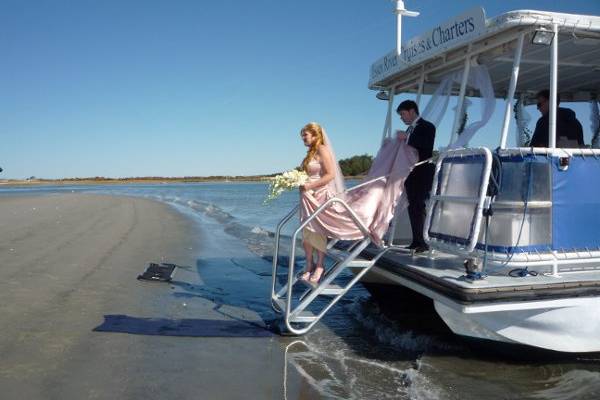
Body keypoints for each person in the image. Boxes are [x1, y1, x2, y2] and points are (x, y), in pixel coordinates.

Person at [298, 122, 345, 284]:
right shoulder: (310, 152)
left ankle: (319, 265)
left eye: (305, 134)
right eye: (302, 135)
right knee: (306, 233)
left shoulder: (323, 150)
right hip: (307, 196)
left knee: (317, 231)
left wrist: (310, 185)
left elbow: (331, 174)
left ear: (315, 135)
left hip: (319, 194)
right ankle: (309, 263)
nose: (303, 138)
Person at [396, 100, 436, 253]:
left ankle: (424, 242)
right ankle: (416, 240)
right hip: (410, 174)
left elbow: (426, 145)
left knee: (419, 206)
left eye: (403, 114)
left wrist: (405, 138)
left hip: (422, 172)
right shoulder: (409, 130)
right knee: (412, 207)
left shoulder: (428, 127)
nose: (402, 118)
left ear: (412, 111)